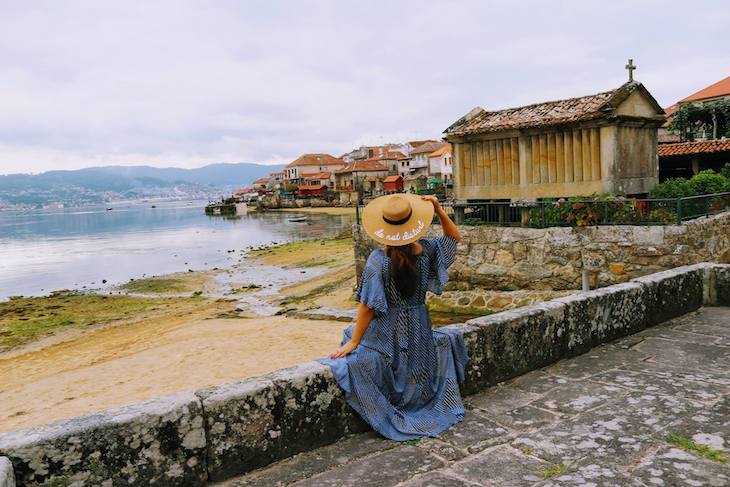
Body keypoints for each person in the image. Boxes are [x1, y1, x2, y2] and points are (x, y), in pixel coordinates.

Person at [319, 194, 468, 441]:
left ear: (384, 228)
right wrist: (439, 210)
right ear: (413, 224)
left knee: (350, 340)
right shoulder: (428, 250)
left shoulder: (379, 261)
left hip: (389, 329)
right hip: (420, 326)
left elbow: (368, 307)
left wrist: (355, 341)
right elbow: (454, 237)